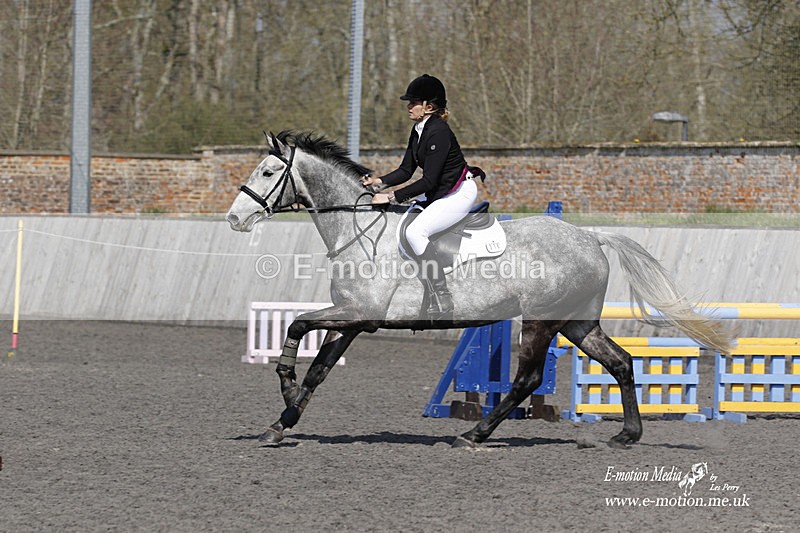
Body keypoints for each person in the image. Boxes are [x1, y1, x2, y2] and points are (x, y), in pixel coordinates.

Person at [362, 74, 481, 319]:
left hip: (458, 192)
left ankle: (442, 295)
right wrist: (380, 182)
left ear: (429, 106)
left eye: (413, 102)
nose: (408, 106)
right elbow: (407, 170)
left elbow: (429, 181)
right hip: (441, 191)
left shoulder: (439, 132)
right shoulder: (418, 130)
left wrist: (391, 197)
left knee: (415, 232)